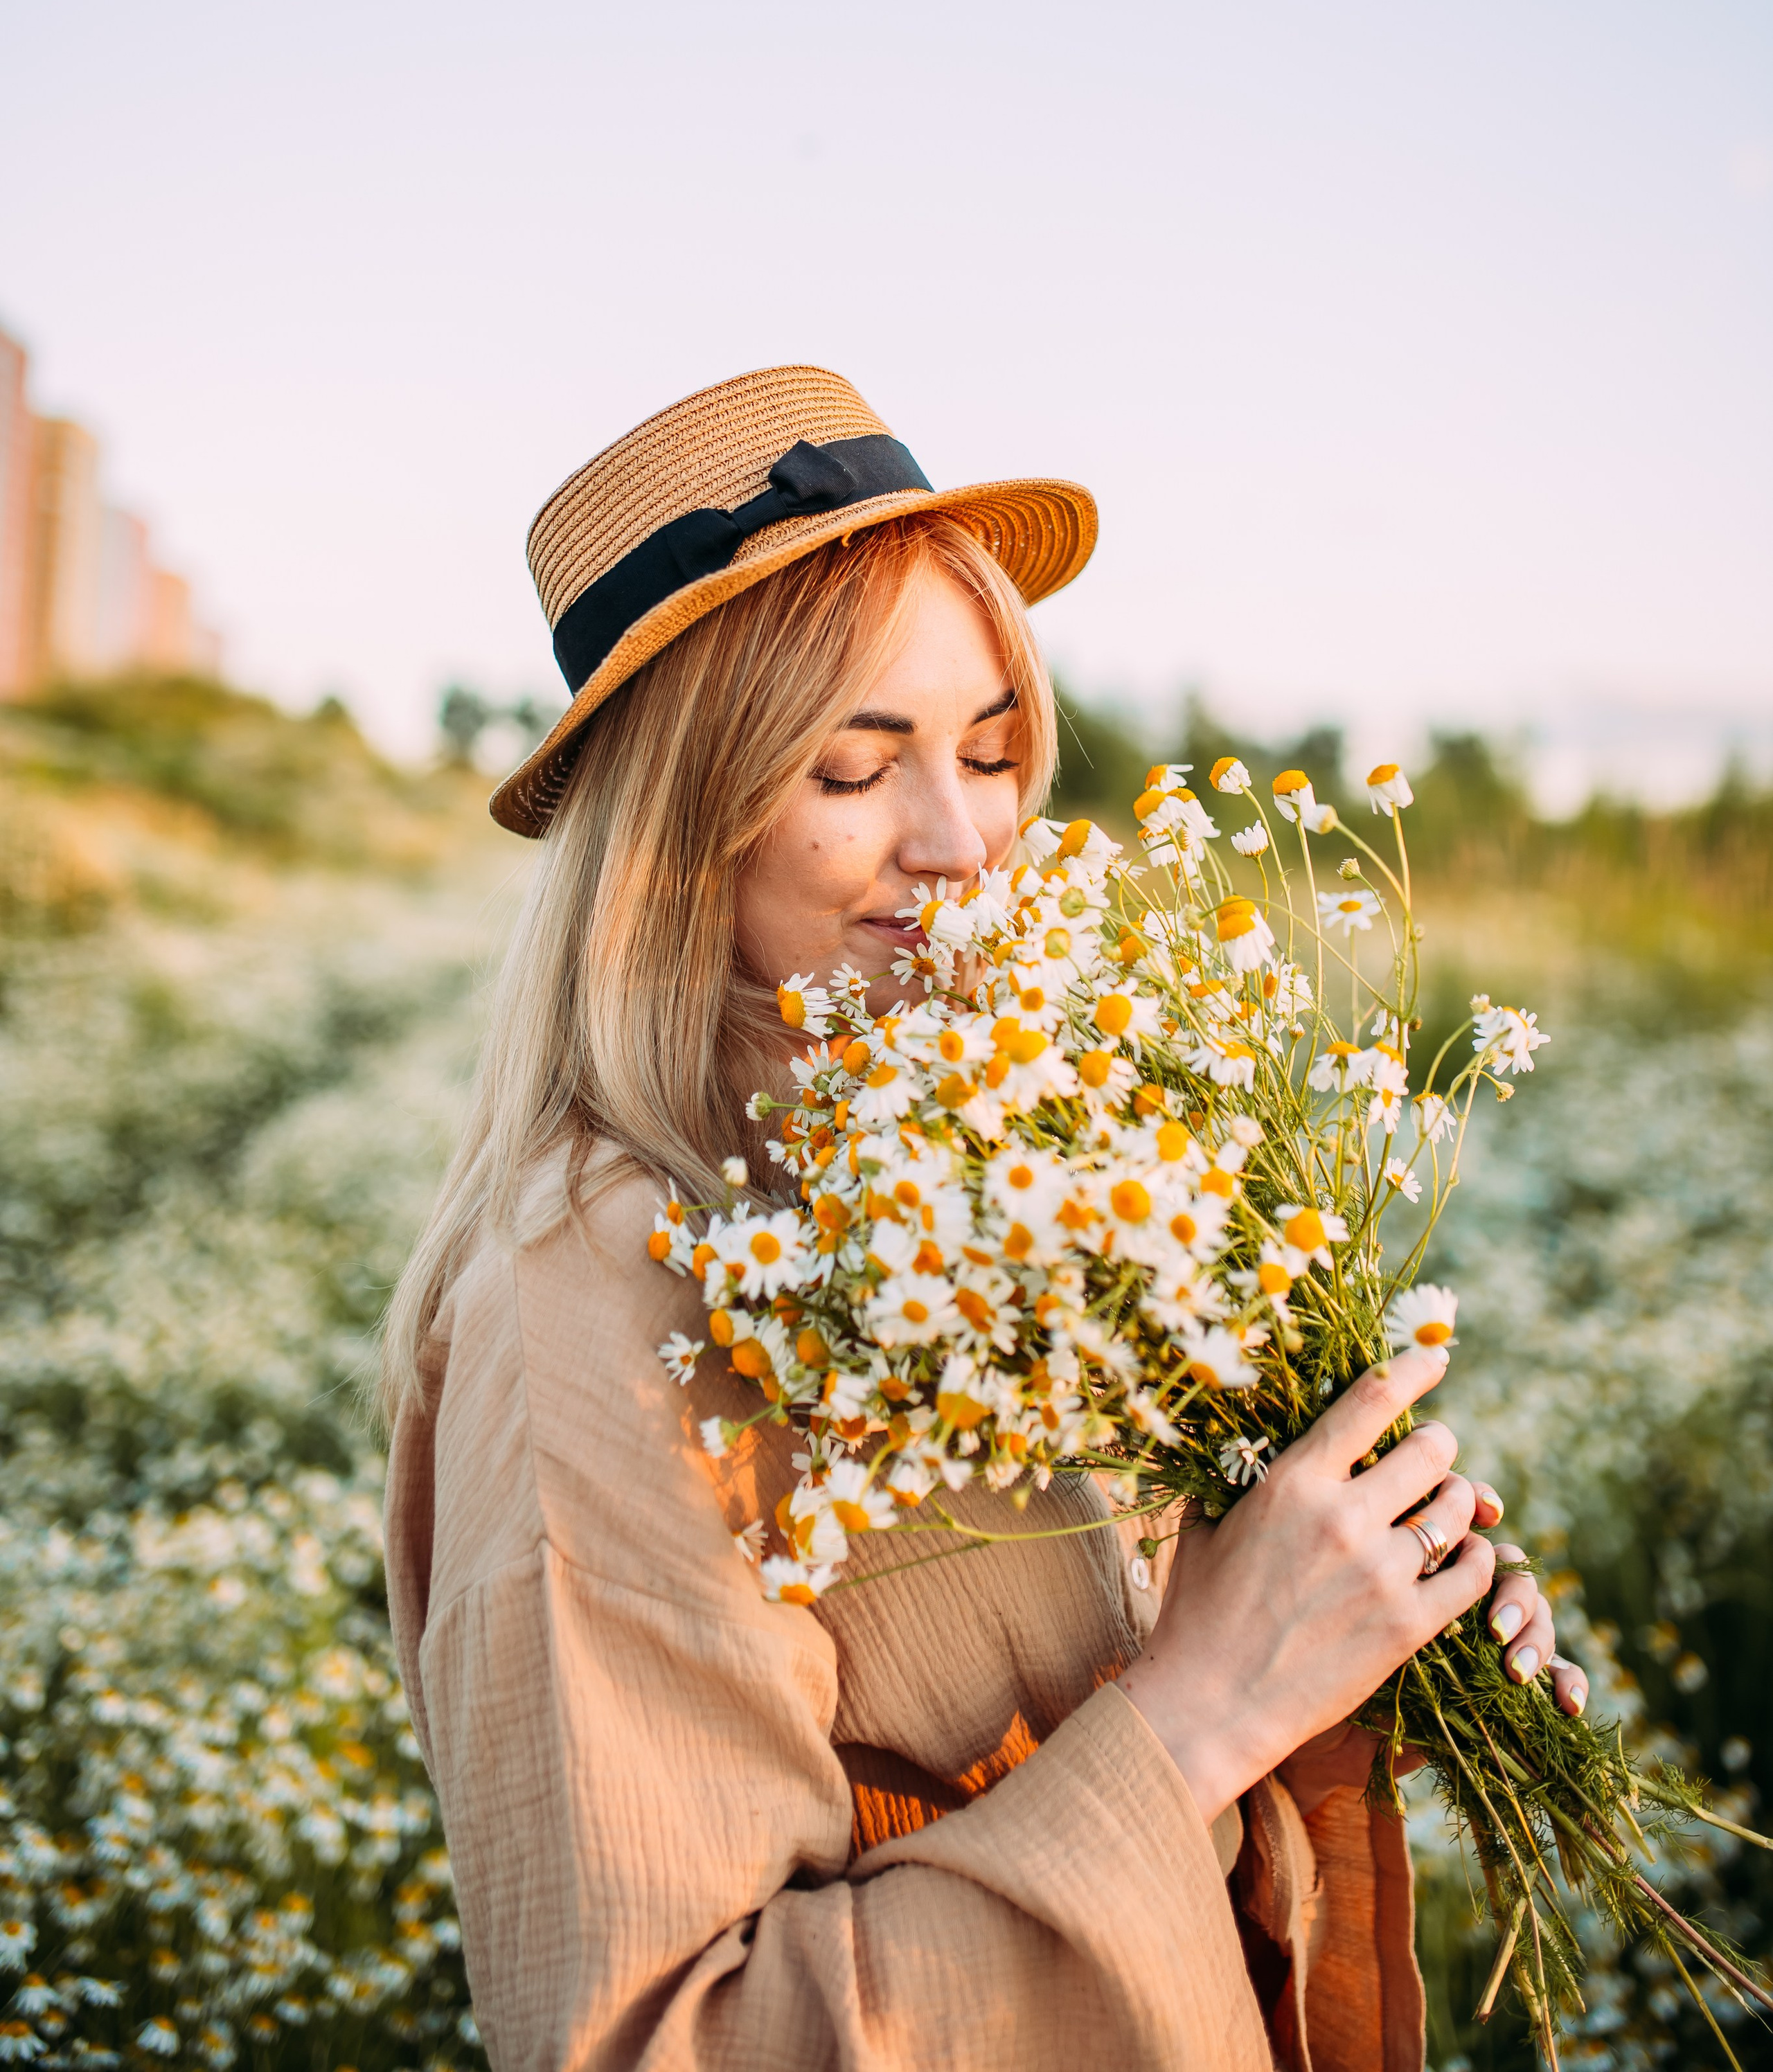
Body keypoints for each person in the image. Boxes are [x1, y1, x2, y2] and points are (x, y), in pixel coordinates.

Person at [380, 364, 1585, 2072]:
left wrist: (1357, 1606)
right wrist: (1202, 1712)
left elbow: (1121, 1672)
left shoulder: (999, 1163)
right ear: (675, 832)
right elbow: (648, 2044)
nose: (963, 842)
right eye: (854, 771)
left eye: (993, 752)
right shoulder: (587, 1292)